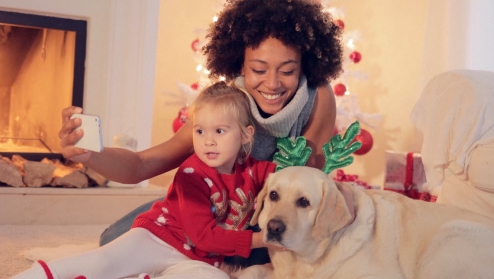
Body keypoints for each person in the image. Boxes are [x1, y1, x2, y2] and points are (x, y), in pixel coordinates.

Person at [59, 0, 342, 261]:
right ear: (240, 66)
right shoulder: (224, 105)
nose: (272, 84)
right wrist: (91, 155)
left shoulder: (318, 98)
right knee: (112, 240)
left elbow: (308, 181)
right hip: (210, 205)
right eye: (258, 69)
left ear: (304, 67)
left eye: (287, 71)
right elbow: (141, 165)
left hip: (265, 215)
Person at [0, 82, 280, 279]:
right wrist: (258, 240)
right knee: (100, 260)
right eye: (200, 132)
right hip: (158, 239)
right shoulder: (191, 175)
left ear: (246, 135)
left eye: (220, 132)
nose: (208, 142)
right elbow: (203, 237)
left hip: (198, 261)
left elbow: (287, 181)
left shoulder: (254, 171)